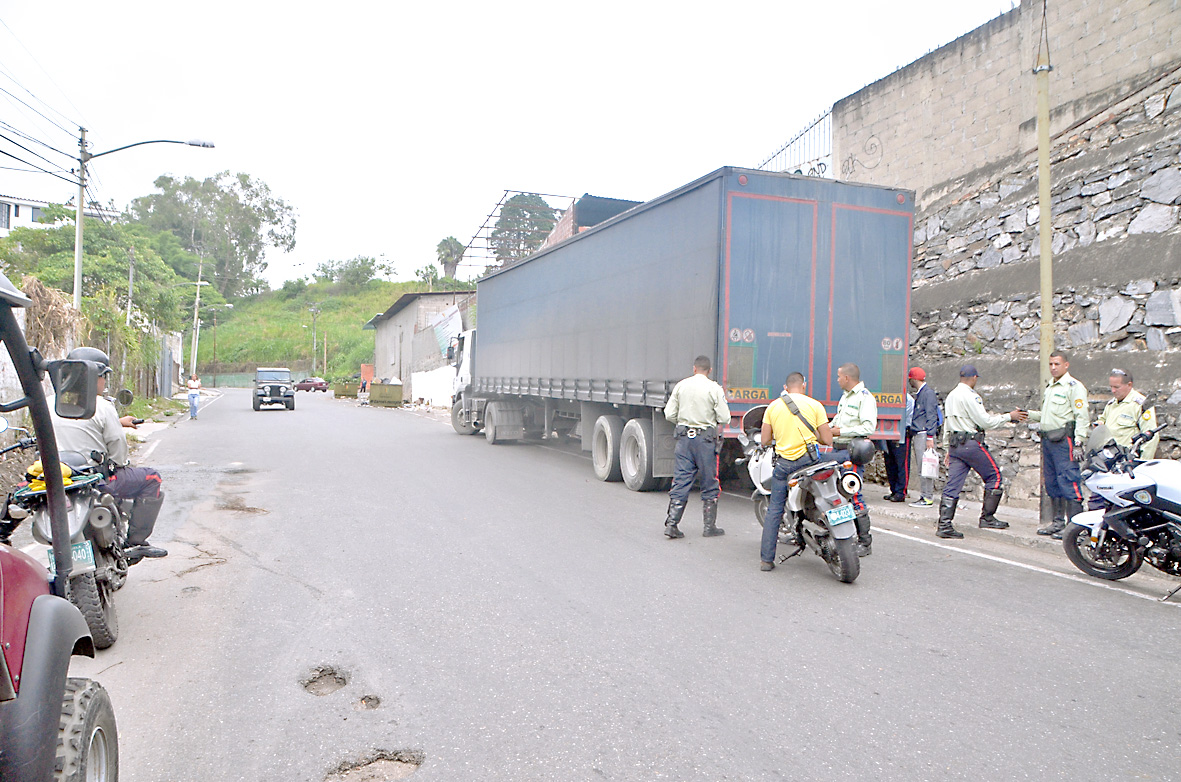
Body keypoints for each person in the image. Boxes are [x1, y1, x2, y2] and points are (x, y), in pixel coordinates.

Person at [50, 347, 167, 563]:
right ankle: (135, 542)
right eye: (104, 377)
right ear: (95, 377)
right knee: (153, 478)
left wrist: (119, 423)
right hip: (96, 481)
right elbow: (117, 449)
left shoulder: (48, 402)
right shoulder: (102, 406)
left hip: (55, 481)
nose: (104, 383)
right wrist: (120, 463)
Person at [936, 365, 1028, 538]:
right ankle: (987, 517)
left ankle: (944, 525)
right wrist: (1009, 416)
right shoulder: (971, 397)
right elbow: (985, 422)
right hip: (971, 444)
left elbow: (947, 424)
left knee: (952, 485)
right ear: (974, 378)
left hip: (956, 445)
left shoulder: (951, 396)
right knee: (994, 476)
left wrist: (948, 447)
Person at [759, 372, 832, 570]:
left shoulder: (773, 407)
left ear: (785, 387)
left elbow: (765, 440)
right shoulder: (815, 405)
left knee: (775, 509)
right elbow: (828, 440)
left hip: (785, 466)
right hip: (810, 462)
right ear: (804, 385)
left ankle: (766, 560)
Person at [662, 355, 731, 540]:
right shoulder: (714, 388)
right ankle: (709, 527)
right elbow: (725, 418)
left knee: (681, 479)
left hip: (684, 440)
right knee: (709, 480)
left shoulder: (681, 386)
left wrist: (684, 421)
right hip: (705, 441)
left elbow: (669, 414)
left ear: (694, 369)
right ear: (709, 370)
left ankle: (671, 524)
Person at [1027, 350, 1089, 539]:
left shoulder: (1073, 387)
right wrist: (1027, 414)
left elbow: (1081, 416)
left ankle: (1075, 528)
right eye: (1051, 364)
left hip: (1065, 441)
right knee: (1052, 482)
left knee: (1069, 480)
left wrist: (1079, 442)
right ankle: (1057, 522)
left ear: (1066, 365)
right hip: (1049, 440)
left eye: (1057, 364)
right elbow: (1046, 416)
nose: (1053, 368)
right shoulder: (1050, 387)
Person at [1089, 368, 1159, 510]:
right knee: (1098, 499)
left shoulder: (1140, 405)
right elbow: (1103, 420)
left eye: (1117, 387)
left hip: (1127, 463)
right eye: (1111, 387)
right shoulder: (1112, 404)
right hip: (1109, 460)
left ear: (1129, 385)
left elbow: (1151, 436)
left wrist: (1141, 464)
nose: (1113, 391)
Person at [828, 363, 878, 556]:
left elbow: (867, 428)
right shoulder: (846, 397)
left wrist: (840, 431)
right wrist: (825, 429)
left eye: (839, 377)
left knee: (853, 494)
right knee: (838, 496)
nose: (837, 380)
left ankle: (865, 542)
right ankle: (843, 537)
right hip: (837, 450)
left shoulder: (864, 398)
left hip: (852, 452)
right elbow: (838, 421)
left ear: (847, 378)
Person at [905, 366, 940, 507]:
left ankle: (927, 497)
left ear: (913, 379)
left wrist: (930, 437)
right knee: (923, 466)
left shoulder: (927, 393)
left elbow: (931, 415)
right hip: (922, 433)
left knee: (925, 467)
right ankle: (925, 496)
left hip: (923, 434)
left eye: (910, 380)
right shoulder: (924, 393)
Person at [882, 390, 913, 502]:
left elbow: (903, 416)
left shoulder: (908, 399)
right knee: (890, 462)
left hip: (902, 432)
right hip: (890, 430)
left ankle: (901, 492)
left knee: (901, 463)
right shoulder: (891, 396)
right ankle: (894, 490)